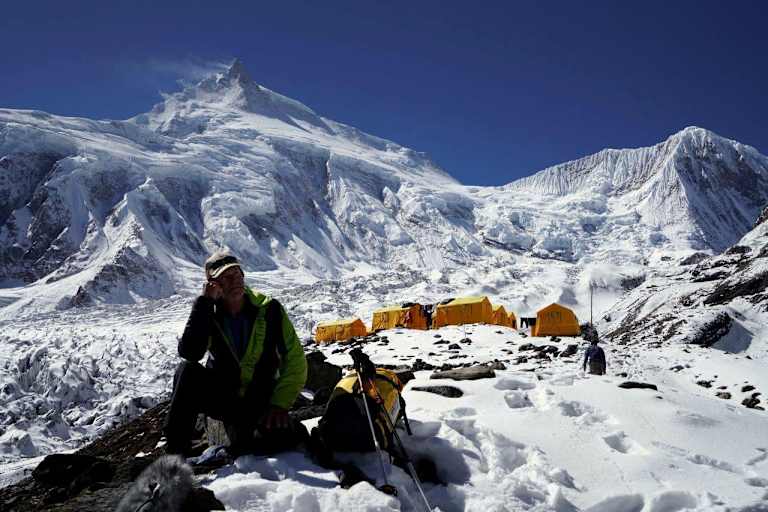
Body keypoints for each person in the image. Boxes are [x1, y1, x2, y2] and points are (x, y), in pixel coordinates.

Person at [165, 250, 308, 456]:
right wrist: (204, 303)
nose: (236, 281)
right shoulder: (209, 313)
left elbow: (295, 359)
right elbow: (191, 352)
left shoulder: (269, 310)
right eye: (227, 277)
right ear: (214, 284)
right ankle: (175, 455)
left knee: (270, 442)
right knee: (187, 371)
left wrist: (279, 404)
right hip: (225, 397)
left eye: (238, 274)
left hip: (259, 399)